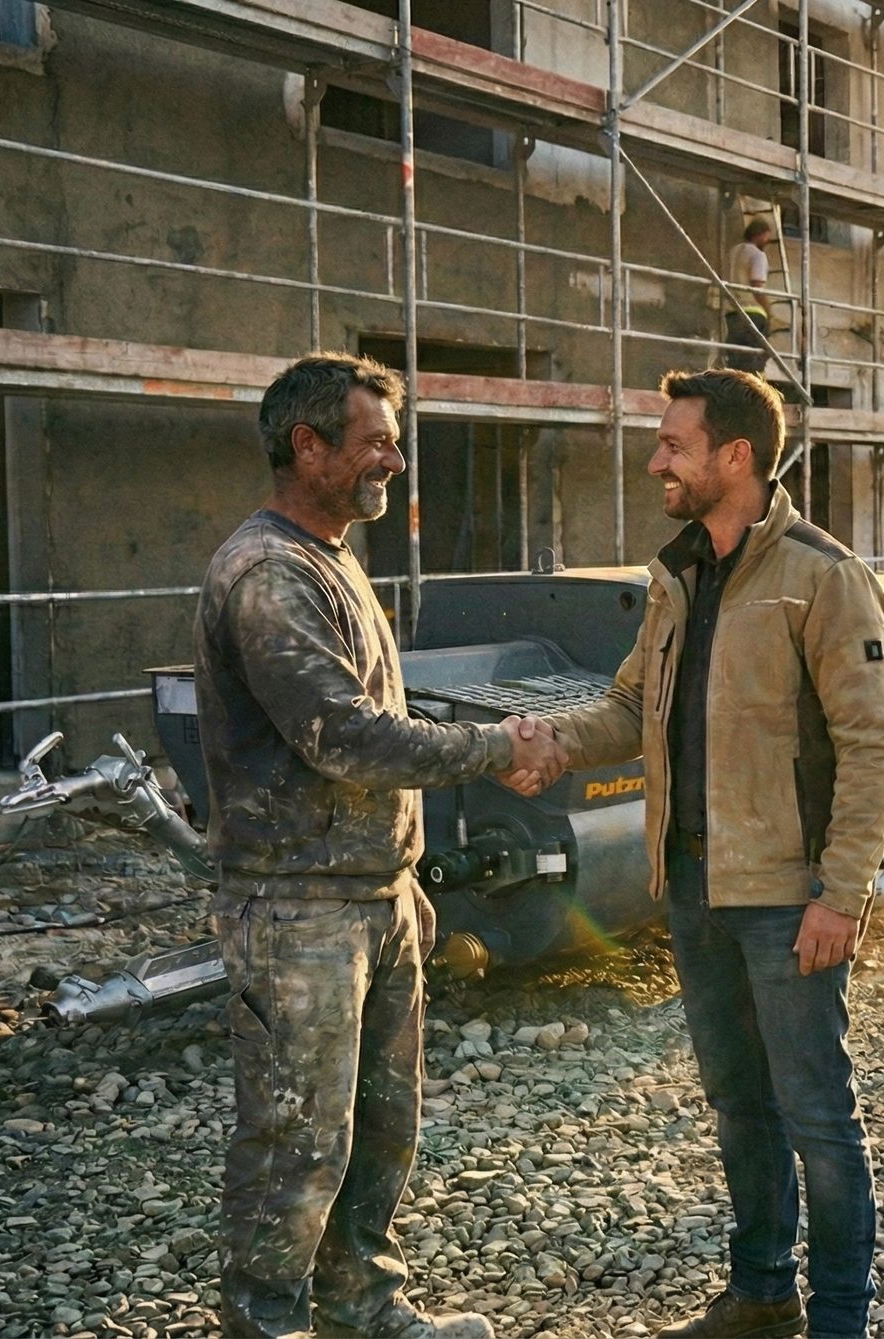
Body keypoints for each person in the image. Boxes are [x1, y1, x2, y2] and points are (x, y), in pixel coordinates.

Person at [195, 353, 569, 1339]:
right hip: (297, 909)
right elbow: (344, 737)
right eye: (373, 440)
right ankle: (266, 1324)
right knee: (295, 1145)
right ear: (306, 445)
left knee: (378, 1132)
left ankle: (365, 1311)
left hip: (369, 896)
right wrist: (497, 747)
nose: (394, 459)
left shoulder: (330, 558)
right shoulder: (268, 575)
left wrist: (406, 881)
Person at [529, 369, 884, 1339]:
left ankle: (841, 1320)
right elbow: (628, 707)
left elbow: (873, 744)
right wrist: (546, 743)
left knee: (818, 1114)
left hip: (788, 897)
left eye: (673, 444)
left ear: (735, 456)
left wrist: (842, 893)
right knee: (740, 1104)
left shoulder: (820, 577)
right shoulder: (677, 576)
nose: (655, 459)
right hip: (695, 888)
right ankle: (761, 1293)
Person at [721, 218, 778, 376]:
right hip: (753, 312)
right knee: (756, 360)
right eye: (766, 236)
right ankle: (753, 393)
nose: (767, 241)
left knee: (736, 361)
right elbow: (756, 286)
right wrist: (768, 311)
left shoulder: (731, 253)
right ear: (758, 235)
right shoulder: (758, 255)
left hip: (732, 313)